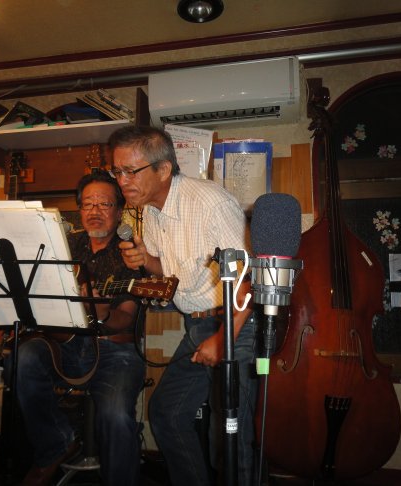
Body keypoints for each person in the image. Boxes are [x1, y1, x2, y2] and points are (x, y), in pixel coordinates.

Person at [108, 125, 258, 486]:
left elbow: (249, 279)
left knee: (230, 435)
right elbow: (170, 270)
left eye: (131, 171)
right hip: (198, 326)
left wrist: (223, 338)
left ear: (163, 169)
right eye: (117, 171)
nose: (123, 181)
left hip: (235, 324)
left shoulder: (209, 202)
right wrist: (146, 260)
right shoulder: (151, 211)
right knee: (167, 413)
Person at [13, 171, 146, 486]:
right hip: (66, 345)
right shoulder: (63, 245)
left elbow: (126, 319)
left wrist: (101, 314)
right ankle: (56, 443)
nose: (94, 211)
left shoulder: (130, 253)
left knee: (115, 415)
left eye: (104, 204)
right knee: (22, 357)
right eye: (88, 204)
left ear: (119, 210)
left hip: (116, 351)